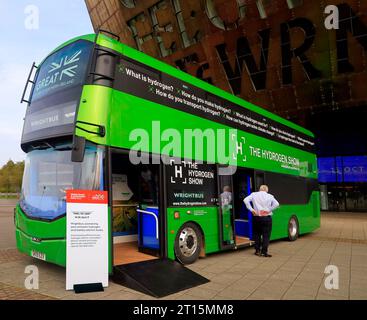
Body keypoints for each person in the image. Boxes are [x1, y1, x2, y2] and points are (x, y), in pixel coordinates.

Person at [244, 185, 279, 257]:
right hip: (266, 218)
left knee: (257, 234)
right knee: (266, 236)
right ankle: (264, 252)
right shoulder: (270, 196)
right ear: (266, 190)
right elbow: (276, 204)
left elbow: (245, 200)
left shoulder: (254, 194)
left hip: (256, 218)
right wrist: (268, 210)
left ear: (260, 189)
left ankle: (257, 251)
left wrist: (252, 210)